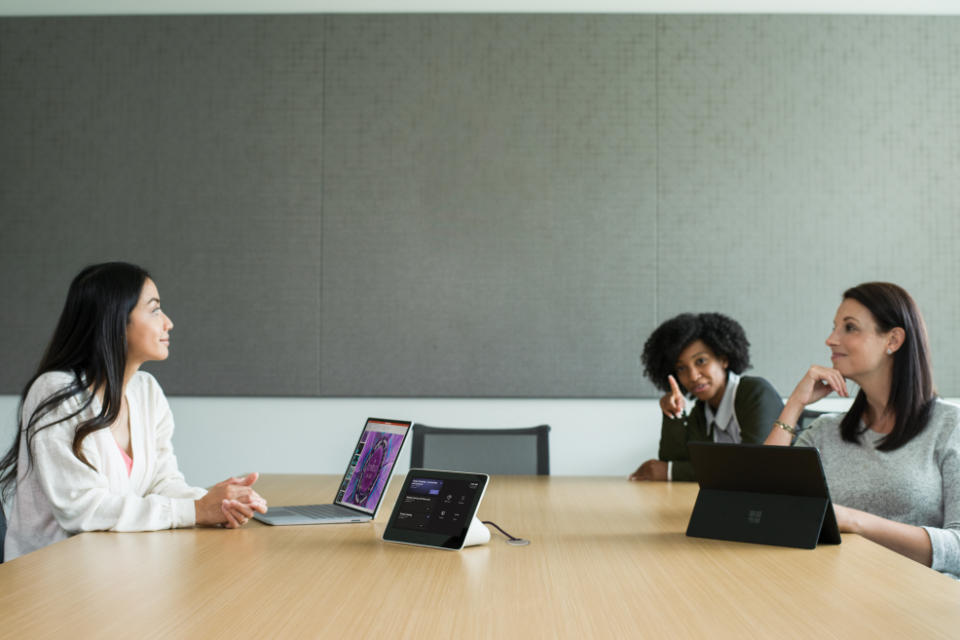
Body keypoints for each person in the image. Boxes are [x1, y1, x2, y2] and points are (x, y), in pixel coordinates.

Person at [0, 263, 268, 562]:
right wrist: (195, 510)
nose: (168, 323)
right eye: (154, 310)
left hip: (115, 565)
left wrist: (215, 503)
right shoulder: (55, 392)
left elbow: (161, 482)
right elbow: (82, 510)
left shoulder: (146, 390)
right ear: (115, 320)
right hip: (51, 577)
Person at [765, 282, 960, 579]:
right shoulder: (824, 432)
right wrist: (794, 405)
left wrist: (855, 521)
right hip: (832, 594)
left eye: (850, 328)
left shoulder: (949, 427)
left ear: (892, 340)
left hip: (919, 608)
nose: (831, 339)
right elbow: (758, 501)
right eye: (834, 328)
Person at [631, 313, 783, 482]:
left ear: (723, 360)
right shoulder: (701, 411)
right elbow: (679, 462)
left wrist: (672, 471)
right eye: (681, 369)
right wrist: (675, 415)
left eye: (701, 361)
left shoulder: (755, 393)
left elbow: (756, 466)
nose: (693, 376)